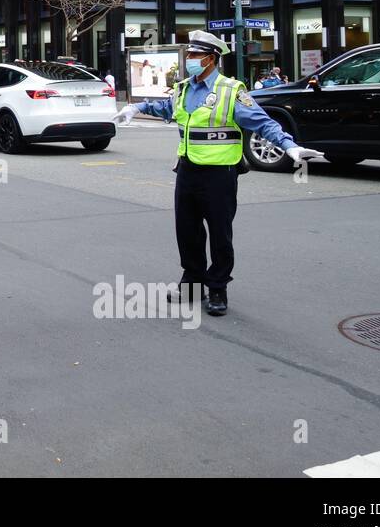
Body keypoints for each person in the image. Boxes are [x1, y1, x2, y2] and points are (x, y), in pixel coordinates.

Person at [112, 31, 322, 316]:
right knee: (187, 232)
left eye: (195, 56)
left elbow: (262, 122)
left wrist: (289, 146)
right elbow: (167, 108)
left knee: (220, 234)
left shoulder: (231, 90)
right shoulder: (184, 88)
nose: (189, 60)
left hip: (220, 174)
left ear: (211, 59)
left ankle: (218, 288)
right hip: (187, 169)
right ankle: (193, 282)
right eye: (189, 55)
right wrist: (137, 106)